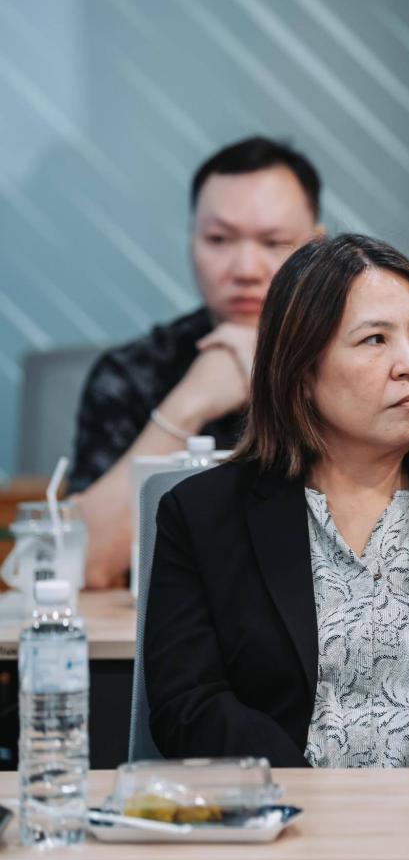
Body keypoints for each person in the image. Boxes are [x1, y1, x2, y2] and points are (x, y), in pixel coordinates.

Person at [144, 233, 409, 768]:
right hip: (278, 811)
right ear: (301, 372)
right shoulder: (201, 515)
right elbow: (189, 703)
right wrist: (305, 800)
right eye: (375, 340)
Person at [68, 136, 324, 588]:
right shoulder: (133, 371)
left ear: (316, 248)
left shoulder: (359, 360)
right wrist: (189, 404)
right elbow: (85, 565)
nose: (246, 269)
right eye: (219, 239)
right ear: (191, 243)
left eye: (274, 242)